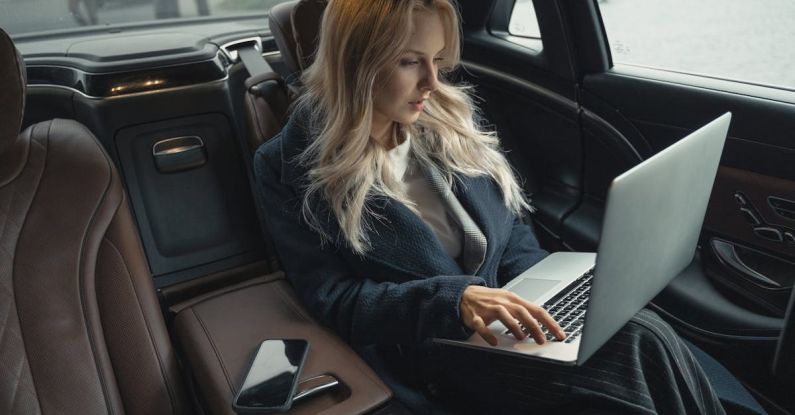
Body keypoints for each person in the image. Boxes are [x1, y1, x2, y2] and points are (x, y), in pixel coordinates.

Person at [254, 0, 731, 413]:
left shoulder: (449, 122)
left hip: (513, 323)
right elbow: (333, 299)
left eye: (438, 59)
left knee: (641, 329)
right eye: (409, 62)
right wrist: (455, 301)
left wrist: (551, 293)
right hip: (435, 346)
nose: (431, 82)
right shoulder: (286, 167)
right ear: (356, 62)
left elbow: (515, 232)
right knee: (638, 345)